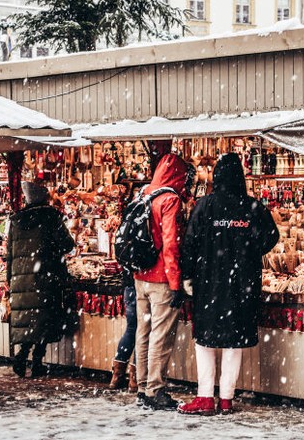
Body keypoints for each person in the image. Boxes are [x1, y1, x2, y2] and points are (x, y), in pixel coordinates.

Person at [178, 153, 279, 416]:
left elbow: (189, 243)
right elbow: (271, 236)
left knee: (205, 341)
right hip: (241, 286)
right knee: (234, 344)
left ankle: (204, 397)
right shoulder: (253, 207)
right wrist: (249, 249)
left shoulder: (205, 206)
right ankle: (226, 398)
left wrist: (188, 276)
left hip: (208, 283)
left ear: (217, 176)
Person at [134, 153, 190, 410]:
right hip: (161, 278)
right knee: (160, 335)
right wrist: (176, 283)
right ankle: (155, 389)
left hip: (140, 275)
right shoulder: (170, 200)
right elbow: (171, 245)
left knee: (143, 332)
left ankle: (142, 385)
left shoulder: (143, 194)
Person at [7, 181, 76, 378]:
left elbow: (9, 254)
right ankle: (36, 361)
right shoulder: (51, 217)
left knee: (30, 320)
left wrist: (9, 279)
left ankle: (21, 356)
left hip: (21, 280)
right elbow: (67, 243)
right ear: (44, 197)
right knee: (43, 320)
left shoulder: (16, 220)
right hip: (46, 276)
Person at [108, 270, 137, 391]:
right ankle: (135, 378)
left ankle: (117, 376)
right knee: (144, 332)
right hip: (144, 282)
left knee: (131, 329)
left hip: (130, 285)